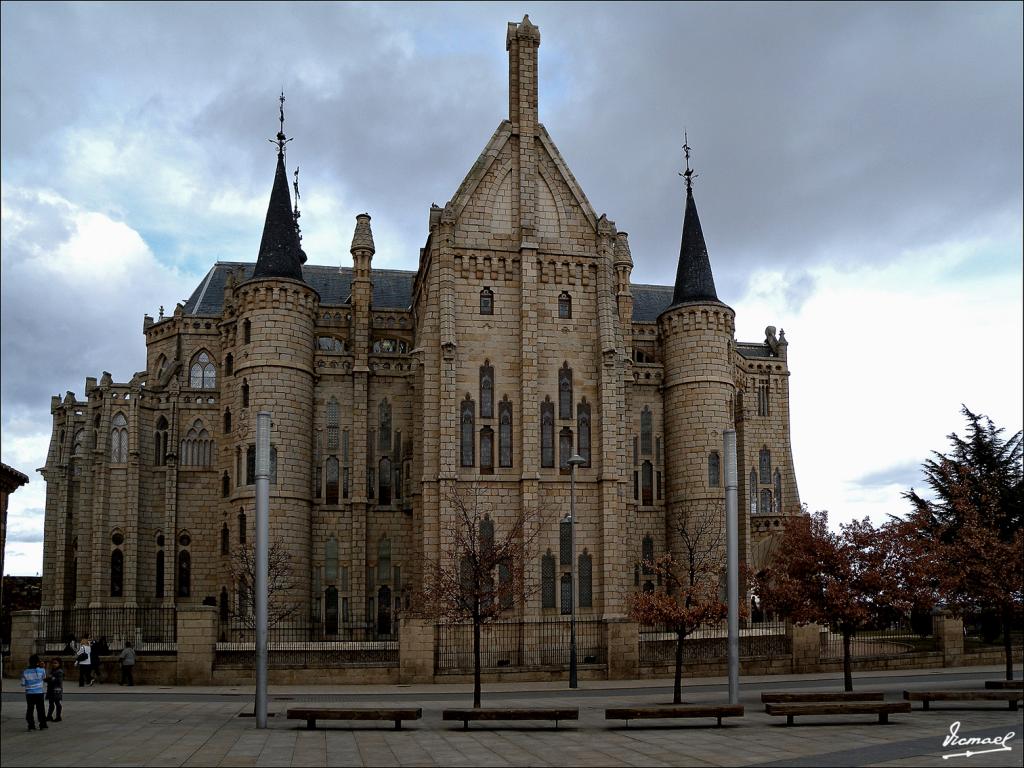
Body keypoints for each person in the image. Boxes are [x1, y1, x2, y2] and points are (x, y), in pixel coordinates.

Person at [20, 654, 47, 731]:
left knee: (30, 709)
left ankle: (31, 725)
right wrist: (42, 666)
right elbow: (44, 678)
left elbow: (23, 684)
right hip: (39, 693)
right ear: (38, 662)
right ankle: (42, 724)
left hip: (29, 693)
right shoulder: (42, 670)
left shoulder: (25, 672)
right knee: (41, 709)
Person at [45, 658, 64, 722]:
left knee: (57, 702)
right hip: (51, 688)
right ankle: (49, 716)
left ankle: (58, 716)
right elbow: (49, 679)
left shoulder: (59, 671)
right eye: (53, 663)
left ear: (59, 664)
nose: (54, 664)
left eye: (56, 663)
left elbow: (59, 681)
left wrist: (51, 678)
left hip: (56, 689)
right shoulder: (52, 671)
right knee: (51, 703)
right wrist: (48, 679)